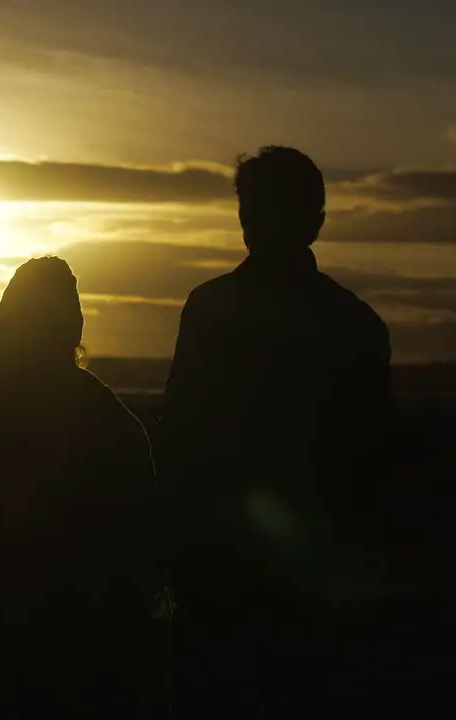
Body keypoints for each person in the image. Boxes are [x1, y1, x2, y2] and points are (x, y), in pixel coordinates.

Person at [160, 146, 392, 717]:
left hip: (229, 575)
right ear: (317, 221)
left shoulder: (211, 309)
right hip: (300, 579)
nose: (249, 220)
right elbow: (371, 468)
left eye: (257, 207)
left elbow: (177, 440)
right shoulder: (357, 323)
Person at [0, 257, 165, 719]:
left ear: (3, 325)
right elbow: (140, 558)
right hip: (80, 664)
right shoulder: (115, 425)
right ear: (72, 333)